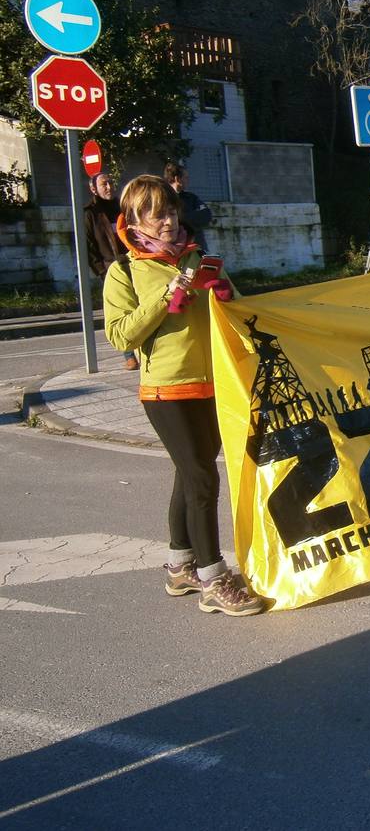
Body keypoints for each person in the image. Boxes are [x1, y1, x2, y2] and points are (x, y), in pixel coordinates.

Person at [104, 174, 264, 617]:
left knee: (189, 473)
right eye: (156, 215)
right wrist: (163, 299)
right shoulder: (124, 271)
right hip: (166, 389)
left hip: (214, 383)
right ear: (135, 220)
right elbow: (120, 336)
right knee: (201, 478)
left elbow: (240, 309)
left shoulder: (199, 257)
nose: (169, 222)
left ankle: (180, 565)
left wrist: (224, 291)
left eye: (172, 212)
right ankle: (213, 577)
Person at [83, 171, 138, 370]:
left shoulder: (122, 207)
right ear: (93, 189)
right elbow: (88, 247)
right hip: (110, 269)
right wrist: (102, 271)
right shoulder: (90, 214)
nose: (109, 187)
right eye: (104, 184)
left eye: (110, 182)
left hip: (134, 263)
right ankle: (129, 355)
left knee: (141, 306)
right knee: (121, 310)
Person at [163, 162, 212, 251]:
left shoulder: (191, 198)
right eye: (186, 177)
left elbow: (206, 215)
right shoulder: (162, 199)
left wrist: (180, 220)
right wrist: (191, 221)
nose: (188, 180)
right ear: (177, 179)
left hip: (196, 247)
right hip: (174, 249)